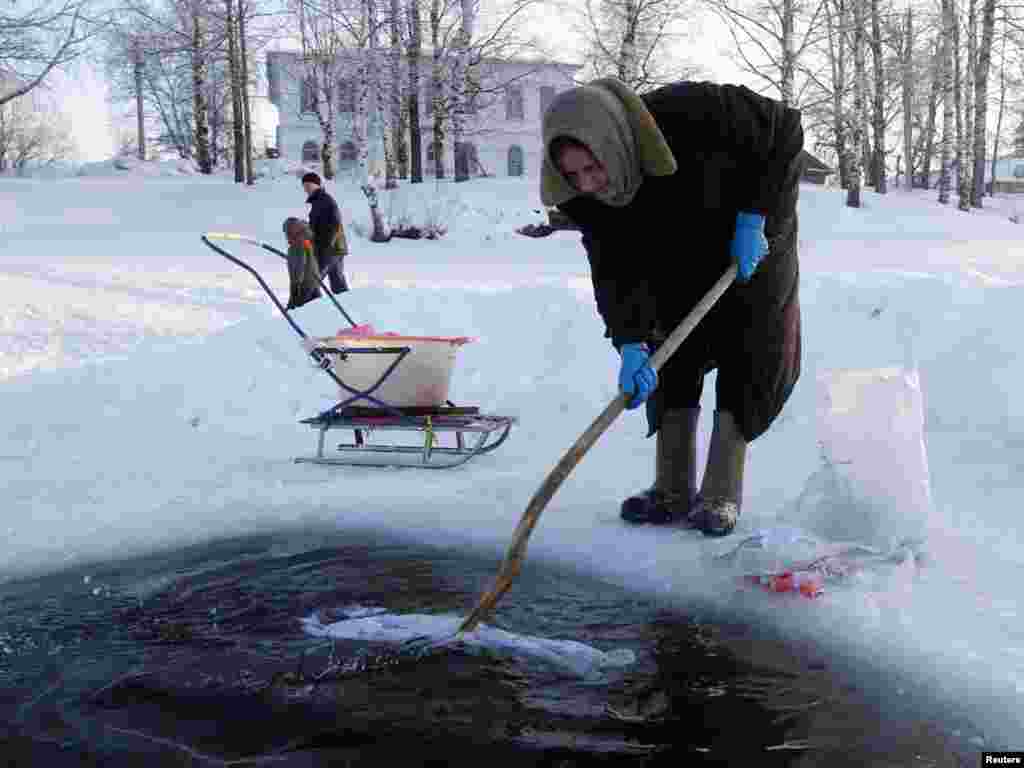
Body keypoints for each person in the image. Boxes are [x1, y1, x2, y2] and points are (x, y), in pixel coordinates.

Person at [540, 77, 804, 537]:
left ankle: (721, 494)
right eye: (573, 175)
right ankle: (672, 489)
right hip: (671, 252)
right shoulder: (589, 200)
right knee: (671, 346)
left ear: (614, 142)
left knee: (749, 350)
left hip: (750, 243)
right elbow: (613, 269)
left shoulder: (690, 111)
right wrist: (629, 341)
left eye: (592, 167)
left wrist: (755, 216)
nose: (589, 183)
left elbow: (784, 127)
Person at [301, 172, 349, 294]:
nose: (306, 189)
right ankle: (348, 307)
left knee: (311, 283)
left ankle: (304, 309)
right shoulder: (319, 201)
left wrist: (326, 247)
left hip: (329, 250)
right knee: (339, 286)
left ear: (316, 185)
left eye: (308, 185)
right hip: (335, 249)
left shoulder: (324, 200)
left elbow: (334, 223)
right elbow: (320, 225)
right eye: (304, 186)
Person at [282, 217, 322, 310]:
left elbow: (299, 269)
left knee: (297, 312)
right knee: (317, 309)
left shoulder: (296, 246)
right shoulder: (306, 241)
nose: (286, 236)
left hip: (304, 286)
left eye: (287, 233)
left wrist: (295, 291)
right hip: (314, 281)